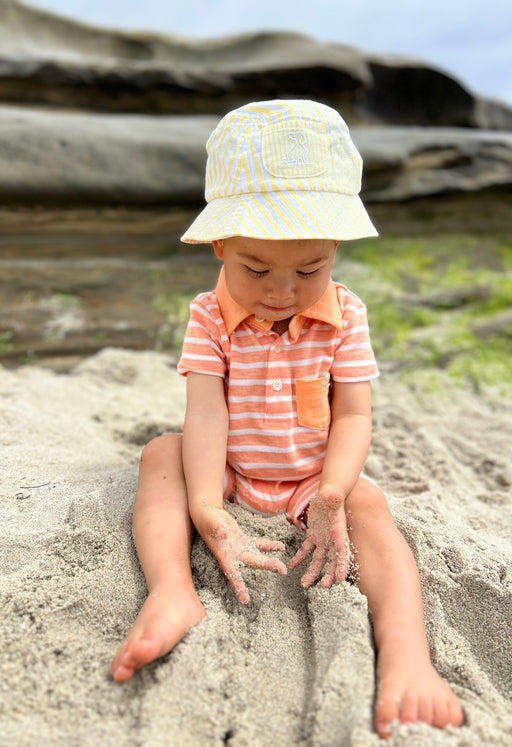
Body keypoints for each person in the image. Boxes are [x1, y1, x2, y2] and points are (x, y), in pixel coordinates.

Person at [111, 100, 463, 739]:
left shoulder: (345, 315)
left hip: (311, 474)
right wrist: (206, 508)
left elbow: (355, 414)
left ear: (333, 245)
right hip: (229, 466)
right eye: (255, 268)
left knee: (372, 507)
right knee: (163, 452)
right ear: (220, 244)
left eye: (310, 269)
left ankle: (408, 652)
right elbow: (206, 411)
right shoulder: (209, 316)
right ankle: (172, 591)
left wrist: (331, 490)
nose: (281, 291)